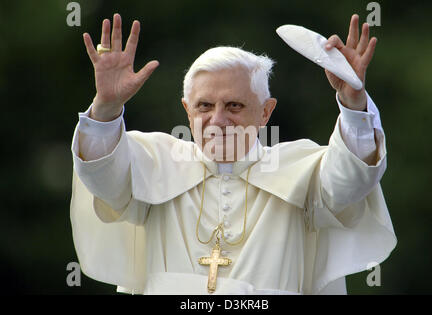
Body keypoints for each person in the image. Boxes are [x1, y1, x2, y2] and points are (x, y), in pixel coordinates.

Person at [70, 13, 396, 294]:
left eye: (234, 106)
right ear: (187, 111)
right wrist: (107, 108)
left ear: (266, 112)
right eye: (205, 106)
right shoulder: (151, 162)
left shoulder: (304, 171)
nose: (218, 120)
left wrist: (354, 103)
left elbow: (351, 179)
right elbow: (102, 176)